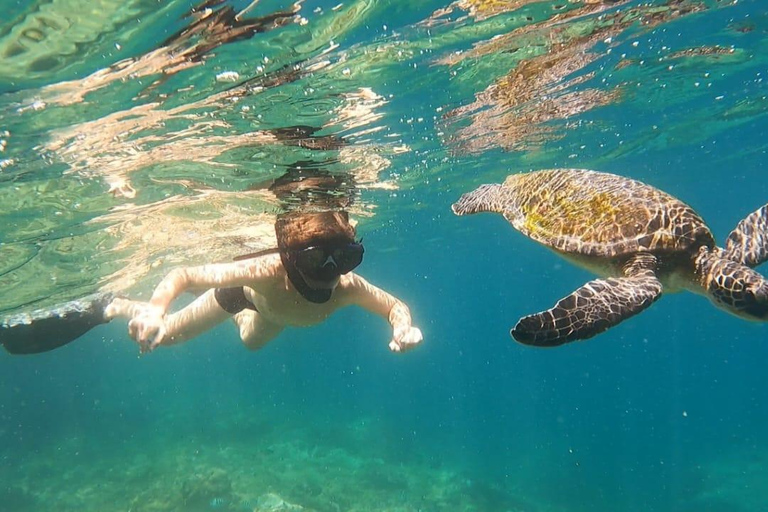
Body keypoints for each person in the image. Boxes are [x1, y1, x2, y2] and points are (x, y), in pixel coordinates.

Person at [0, 210, 422, 355]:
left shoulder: (347, 285)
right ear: (293, 258)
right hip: (244, 297)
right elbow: (184, 274)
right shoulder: (266, 271)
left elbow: (394, 306)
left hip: (273, 313)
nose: (333, 272)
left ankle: (243, 319)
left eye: (346, 259)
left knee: (250, 343)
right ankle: (112, 305)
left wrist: (402, 328)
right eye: (316, 259)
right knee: (165, 338)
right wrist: (154, 309)